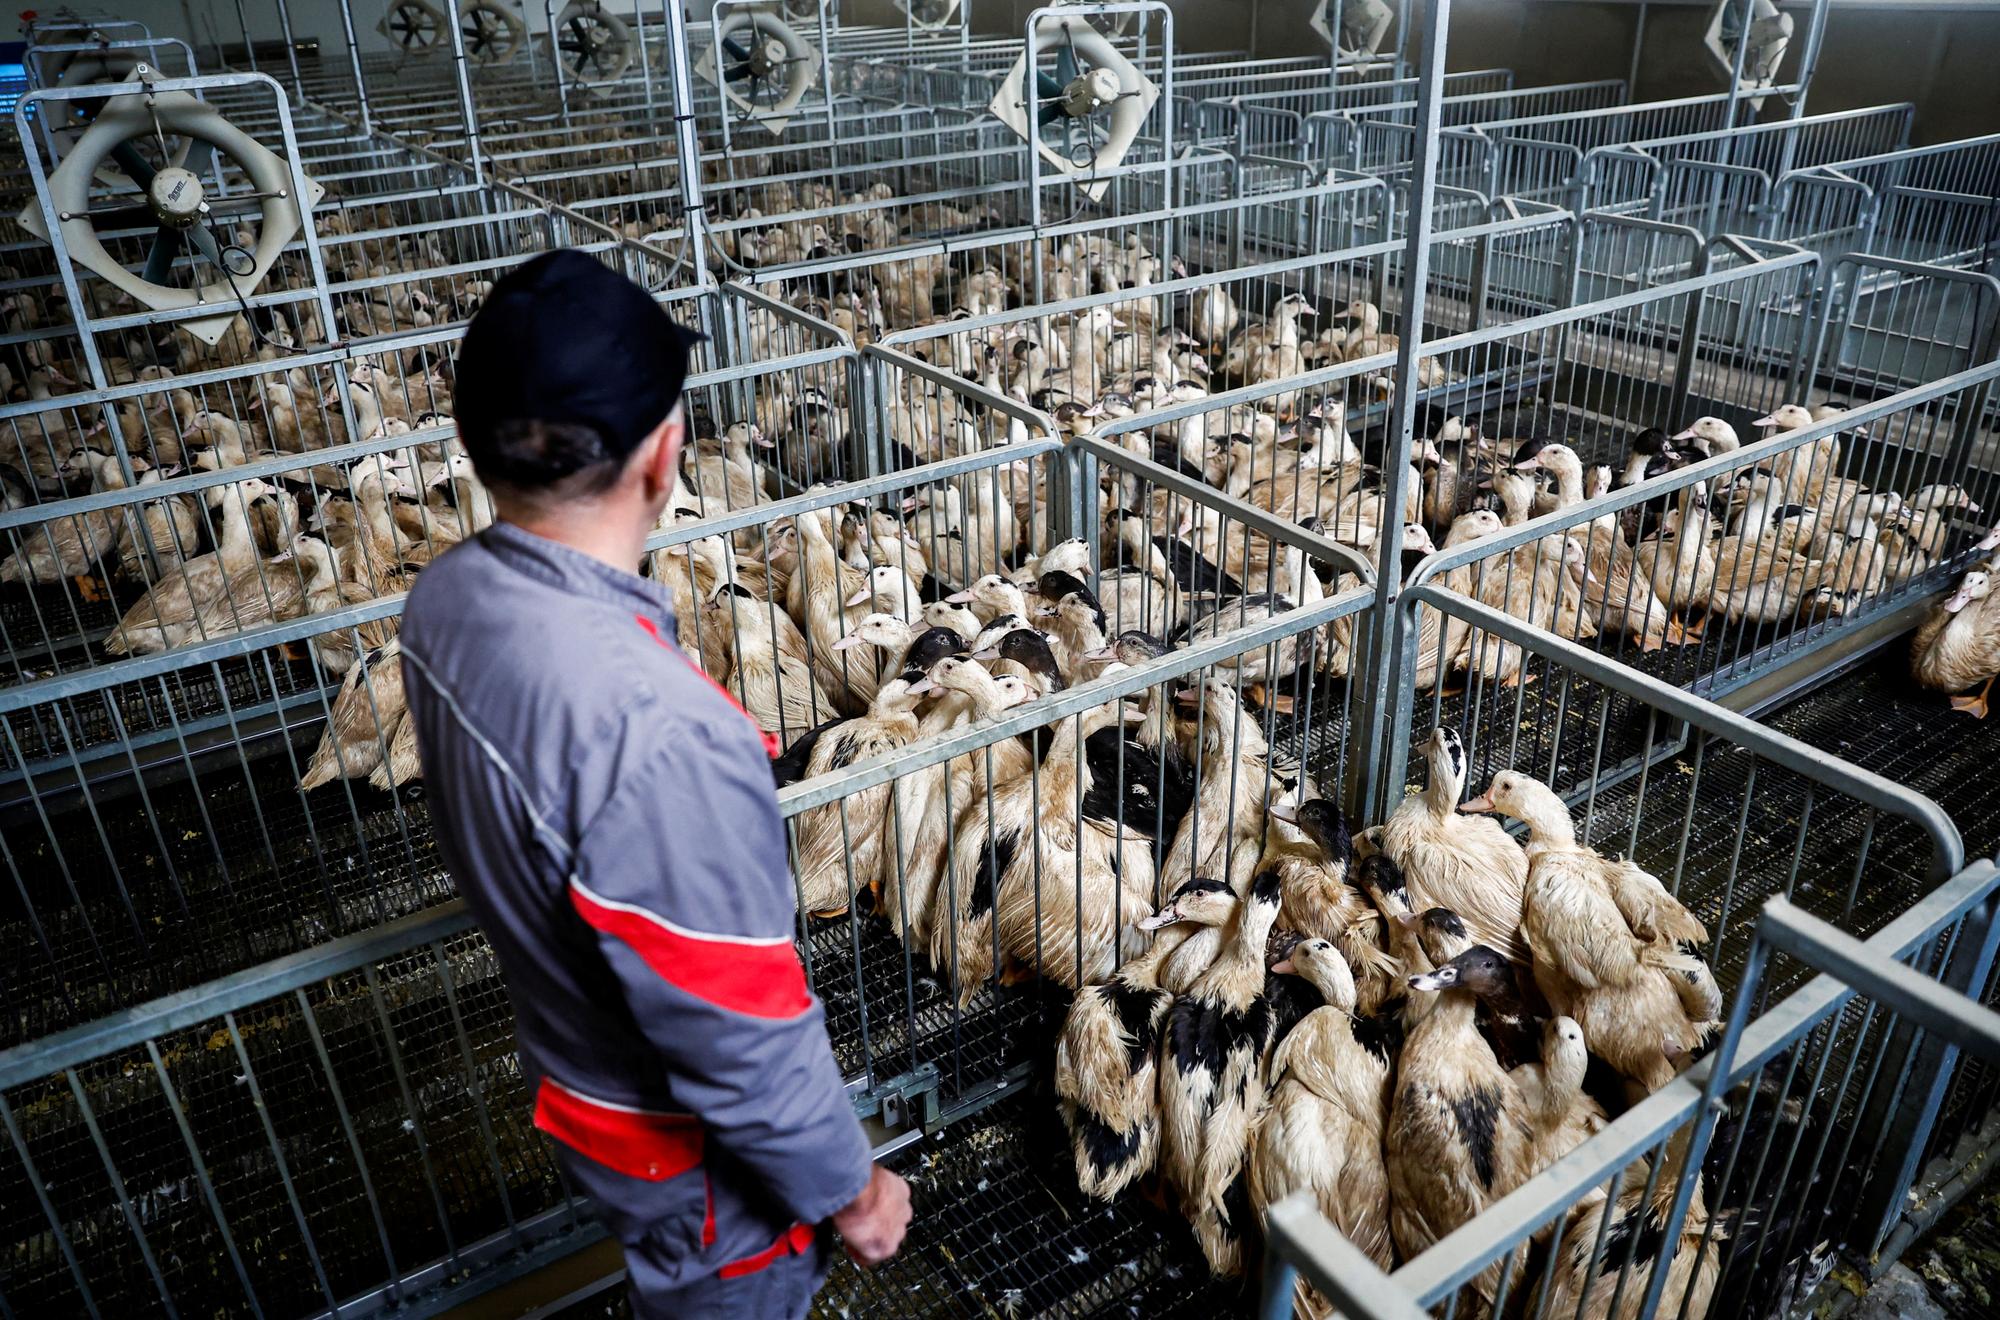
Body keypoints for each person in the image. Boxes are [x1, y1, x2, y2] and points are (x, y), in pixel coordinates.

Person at [400, 250, 910, 1318]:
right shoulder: (659, 735)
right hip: (696, 1169)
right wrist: (850, 1188)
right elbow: (740, 1041)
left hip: (580, 1078)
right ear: (665, 454)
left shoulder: (443, 603)